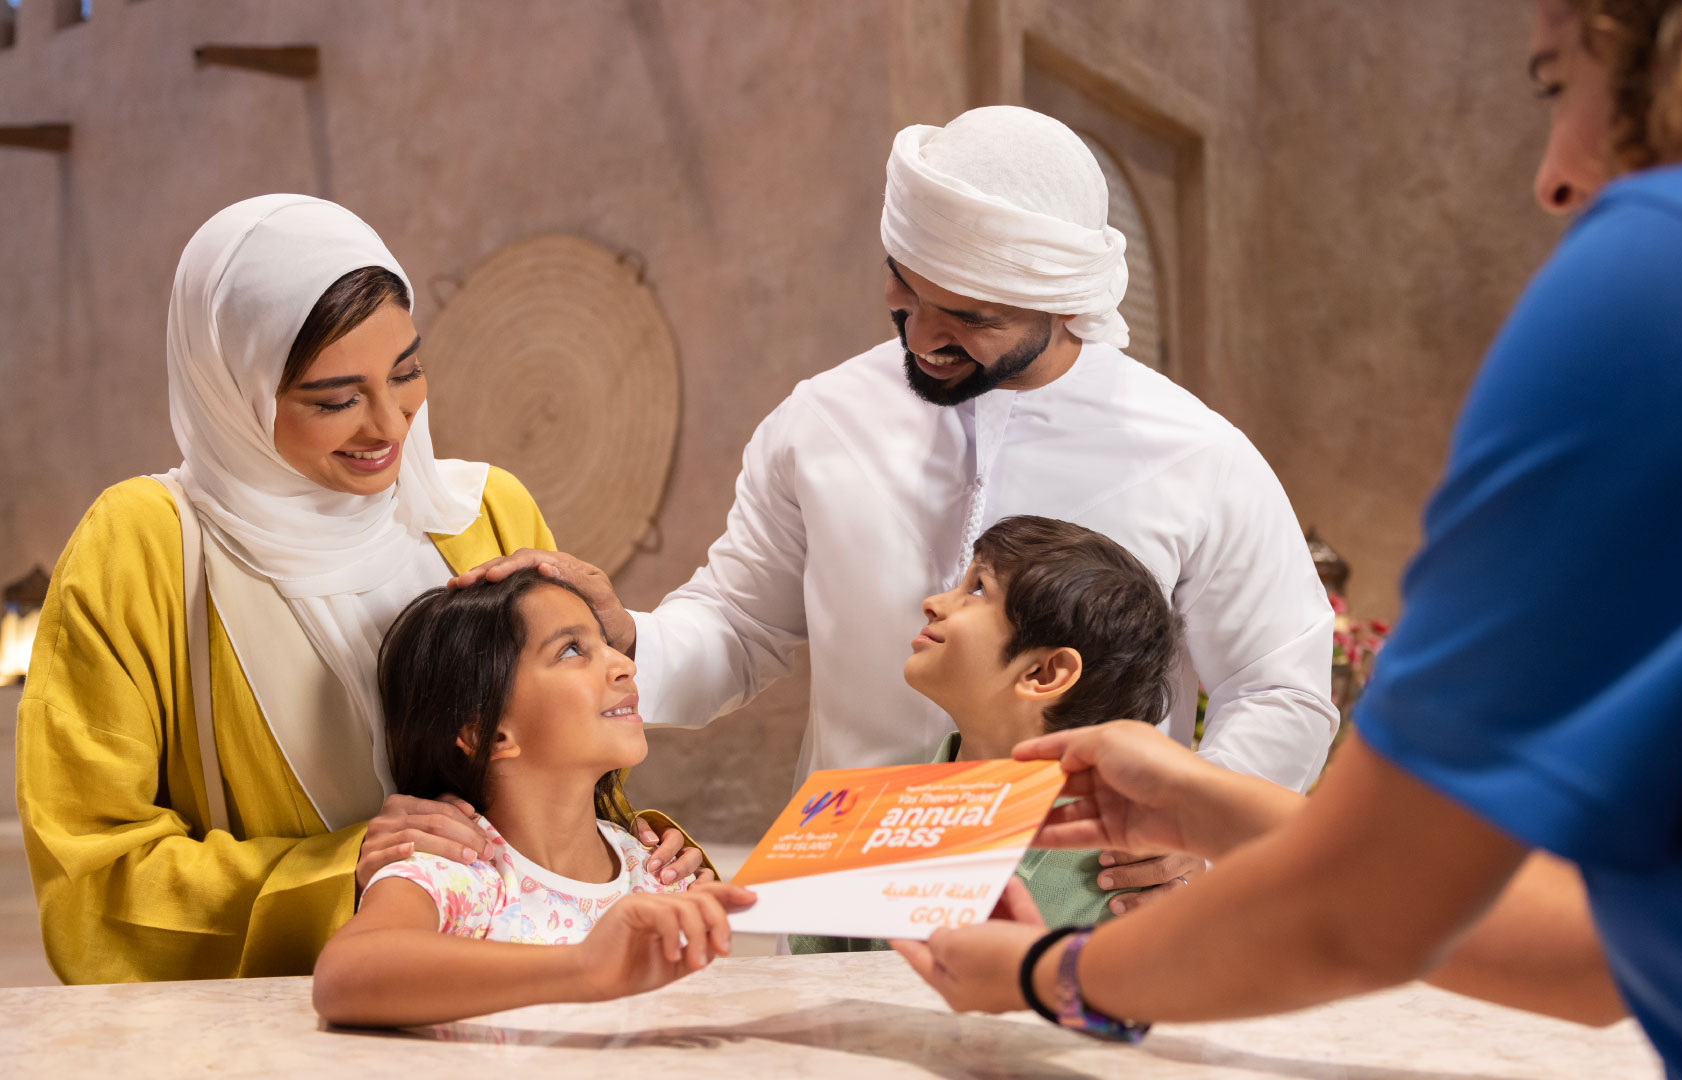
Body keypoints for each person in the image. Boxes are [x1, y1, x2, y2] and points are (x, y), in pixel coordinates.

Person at [892, 2, 1682, 1075]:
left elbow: (1373, 905)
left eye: (1554, 85)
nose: (1555, 178)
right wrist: (1213, 809)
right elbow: (1589, 946)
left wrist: (1049, 974)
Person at [461, 105, 1339, 908]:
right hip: (848, 884)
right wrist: (629, 641)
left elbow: (1277, 689)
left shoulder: (1195, 452)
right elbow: (739, 630)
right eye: (903, 294)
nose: (923, 336)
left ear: (1065, 299)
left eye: (967, 315)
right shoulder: (822, 420)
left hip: (1086, 900)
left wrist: (1196, 828)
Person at [13, 195, 705, 983]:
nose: (390, 425)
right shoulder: (147, 548)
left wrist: (637, 851)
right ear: (233, 389)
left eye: (406, 371)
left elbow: (555, 753)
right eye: (336, 400)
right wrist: (343, 871)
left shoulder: (480, 514)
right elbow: (93, 876)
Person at [311, 571, 754, 1027]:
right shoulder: (459, 874)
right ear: (488, 733)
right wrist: (583, 967)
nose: (626, 664)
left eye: (606, 643)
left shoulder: (656, 872)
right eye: (571, 650)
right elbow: (343, 976)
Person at [793, 515, 1184, 954]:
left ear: (1043, 672)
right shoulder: (865, 820)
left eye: (977, 589)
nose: (933, 602)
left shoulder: (1127, 872)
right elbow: (813, 984)